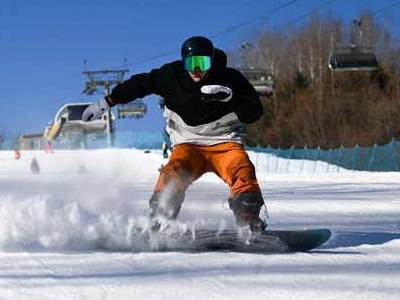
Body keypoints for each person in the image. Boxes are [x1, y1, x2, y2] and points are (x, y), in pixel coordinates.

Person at [82, 35, 267, 231]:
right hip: (188, 145)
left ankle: (247, 218)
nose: (196, 70)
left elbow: (255, 113)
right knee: (173, 172)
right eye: (191, 63)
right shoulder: (171, 75)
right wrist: (107, 102)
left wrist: (232, 98)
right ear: (183, 62)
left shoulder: (230, 78)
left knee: (241, 168)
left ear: (211, 61)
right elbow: (141, 84)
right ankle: (161, 216)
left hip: (225, 143)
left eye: (202, 63)